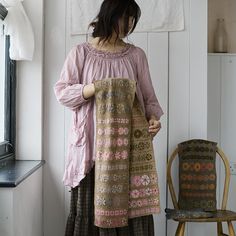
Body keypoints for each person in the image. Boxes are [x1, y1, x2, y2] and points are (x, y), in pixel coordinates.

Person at [54, 0, 164, 235]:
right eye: (125, 17)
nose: (130, 24)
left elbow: (149, 100)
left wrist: (153, 120)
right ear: (110, 15)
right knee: (88, 217)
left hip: (127, 154)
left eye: (133, 19)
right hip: (91, 153)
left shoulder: (136, 56)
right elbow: (62, 92)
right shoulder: (81, 53)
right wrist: (94, 88)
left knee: (131, 219)